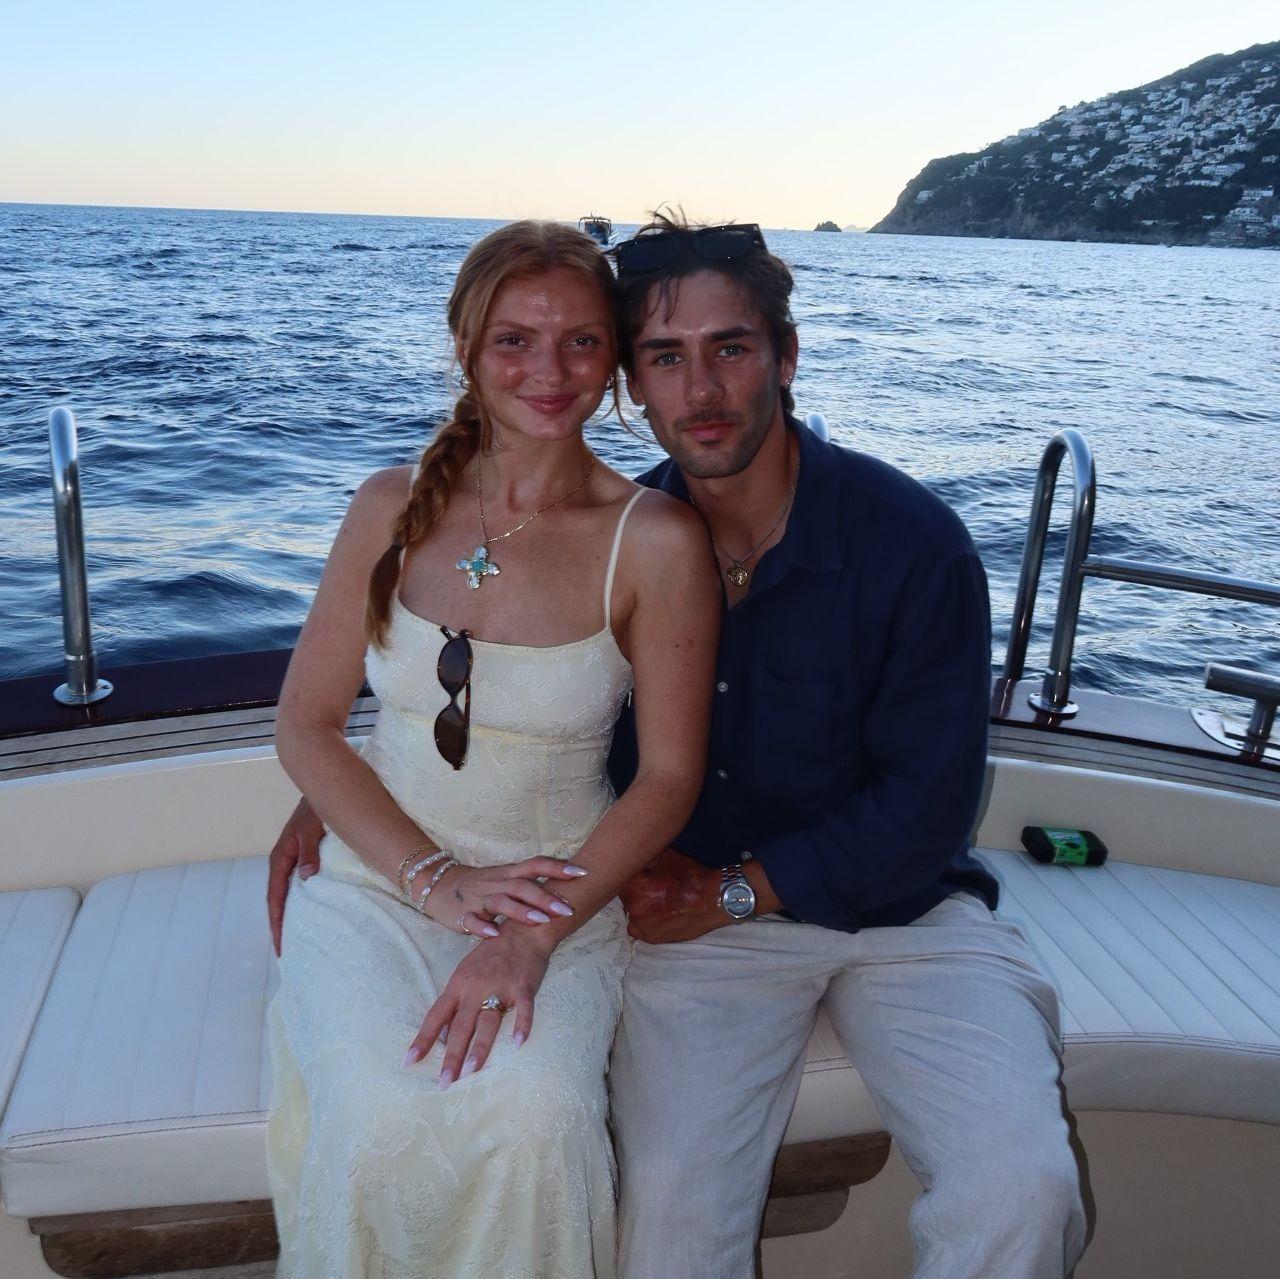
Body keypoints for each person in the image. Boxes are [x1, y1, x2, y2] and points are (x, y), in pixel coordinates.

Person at [270, 214, 1087, 1278]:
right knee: (665, 1226)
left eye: (729, 348)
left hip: (897, 914)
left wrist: (734, 891)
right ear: (634, 383)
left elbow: (925, 811)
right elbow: (468, 700)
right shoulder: (629, 530)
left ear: (785, 357)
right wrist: (343, 793)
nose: (700, 389)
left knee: (1023, 1188)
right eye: (665, 356)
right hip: (697, 930)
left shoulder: (909, 544)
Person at [265, 219, 719, 1279]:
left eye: (579, 341)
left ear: (613, 359)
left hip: (557, 900)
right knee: (376, 1117)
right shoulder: (388, 507)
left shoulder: (655, 539)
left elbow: (669, 776)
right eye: (515, 340)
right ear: (466, 348)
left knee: (536, 1120)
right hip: (377, 888)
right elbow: (306, 723)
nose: (547, 370)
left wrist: (530, 935)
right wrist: (433, 880)